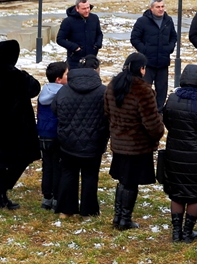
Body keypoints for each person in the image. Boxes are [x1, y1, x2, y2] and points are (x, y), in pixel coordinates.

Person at [0, 40, 42, 210]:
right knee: (20, 159)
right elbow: (35, 88)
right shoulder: (18, 77)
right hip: (17, 128)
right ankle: (0, 193)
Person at [105, 52, 165, 230]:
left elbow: (107, 112)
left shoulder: (113, 86)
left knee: (123, 181)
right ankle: (124, 219)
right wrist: (159, 132)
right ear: (142, 69)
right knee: (130, 182)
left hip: (119, 143)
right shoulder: (143, 91)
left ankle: (118, 217)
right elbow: (152, 124)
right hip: (137, 145)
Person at [161, 64, 197, 243]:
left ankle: (176, 232)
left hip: (175, 152)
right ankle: (187, 233)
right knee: (195, 194)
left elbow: (167, 121)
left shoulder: (172, 99)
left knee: (177, 192)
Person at [54, 56, 109, 218]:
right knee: (90, 175)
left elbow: (55, 109)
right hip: (94, 140)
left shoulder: (64, 90)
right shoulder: (103, 91)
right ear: (96, 70)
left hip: (68, 140)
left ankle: (66, 210)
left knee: (68, 173)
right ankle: (88, 211)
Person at [130, 0, 177, 110]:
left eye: (162, 6)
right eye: (158, 7)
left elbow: (173, 37)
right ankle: (144, 112)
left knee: (162, 91)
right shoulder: (142, 21)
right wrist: (144, 50)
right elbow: (135, 38)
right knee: (145, 90)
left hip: (163, 63)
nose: (161, 9)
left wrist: (169, 48)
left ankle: (159, 112)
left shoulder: (168, 20)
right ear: (151, 8)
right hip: (147, 64)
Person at [36, 61, 67, 210]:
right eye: (67, 74)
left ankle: (46, 197)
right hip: (56, 135)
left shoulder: (44, 92)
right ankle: (56, 197)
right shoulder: (62, 94)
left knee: (47, 166)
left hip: (43, 134)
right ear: (58, 79)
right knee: (58, 167)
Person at [57, 0, 104, 67]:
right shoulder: (68, 21)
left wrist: (97, 45)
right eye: (84, 9)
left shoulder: (94, 18)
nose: (87, 10)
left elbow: (99, 34)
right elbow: (60, 39)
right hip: (75, 61)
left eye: (88, 8)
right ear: (77, 9)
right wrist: (75, 47)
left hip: (91, 59)